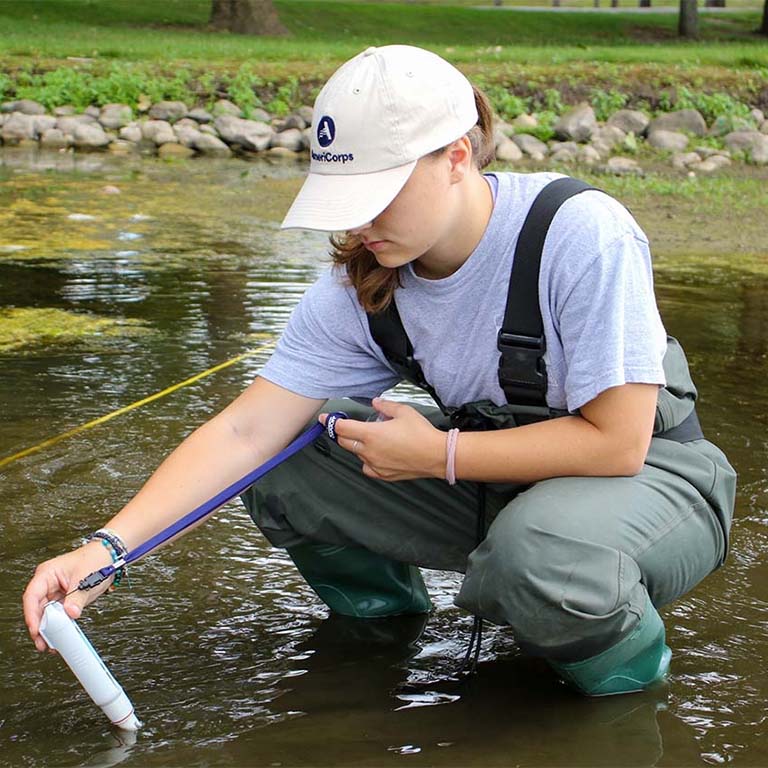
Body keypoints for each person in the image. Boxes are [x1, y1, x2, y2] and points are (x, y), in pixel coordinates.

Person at [24, 45, 736, 697]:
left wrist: (441, 454)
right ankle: (384, 638)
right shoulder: (363, 285)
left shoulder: (580, 233)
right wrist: (105, 551)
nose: (360, 223)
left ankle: (624, 691)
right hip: (500, 486)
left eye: (379, 193)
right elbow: (246, 433)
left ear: (456, 157)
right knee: (287, 461)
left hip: (648, 482)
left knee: (541, 561)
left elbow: (620, 442)